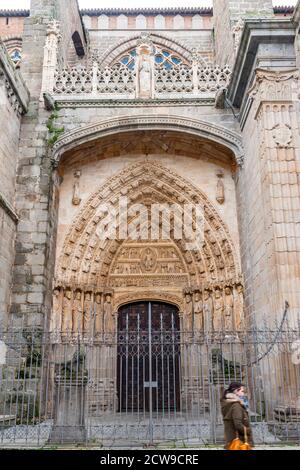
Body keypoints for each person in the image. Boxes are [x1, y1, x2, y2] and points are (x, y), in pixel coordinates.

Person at [220, 382, 254, 449]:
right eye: (242, 391)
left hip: (232, 438)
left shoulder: (229, 402)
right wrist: (248, 431)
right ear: (236, 391)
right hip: (239, 441)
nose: (244, 393)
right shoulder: (236, 405)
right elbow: (238, 424)